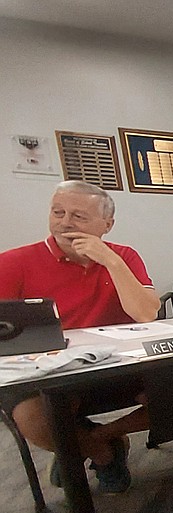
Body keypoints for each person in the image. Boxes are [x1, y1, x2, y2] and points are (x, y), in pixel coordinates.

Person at [0, 180, 160, 493]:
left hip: (116, 363)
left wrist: (111, 261)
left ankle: (100, 436)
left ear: (107, 225)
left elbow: (146, 314)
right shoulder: (14, 262)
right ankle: (102, 453)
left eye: (78, 216)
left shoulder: (124, 256)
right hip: (51, 369)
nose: (65, 222)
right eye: (57, 212)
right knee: (35, 418)